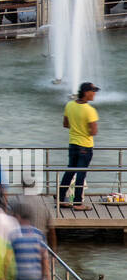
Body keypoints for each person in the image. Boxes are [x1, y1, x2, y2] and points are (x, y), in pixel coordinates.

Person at [59, 82, 98, 210]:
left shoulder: (69, 105)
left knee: (69, 171)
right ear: (86, 92)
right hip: (85, 146)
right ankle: (77, 204)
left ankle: (60, 199)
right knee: (81, 174)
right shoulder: (90, 110)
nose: (95, 94)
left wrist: (76, 127)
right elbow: (93, 131)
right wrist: (84, 129)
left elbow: (65, 124)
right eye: (93, 91)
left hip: (73, 144)